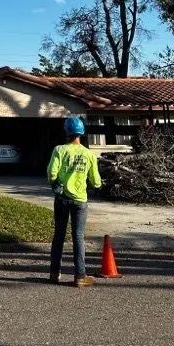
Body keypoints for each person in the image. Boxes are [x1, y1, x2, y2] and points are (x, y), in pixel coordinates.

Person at [47, 116, 101, 287]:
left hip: (62, 199)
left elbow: (51, 173)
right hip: (80, 200)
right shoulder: (88, 154)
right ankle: (80, 276)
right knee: (78, 237)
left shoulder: (59, 150)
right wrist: (96, 185)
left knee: (59, 235)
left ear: (66, 132)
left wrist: (56, 184)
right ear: (81, 133)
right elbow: (95, 180)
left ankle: (54, 273)